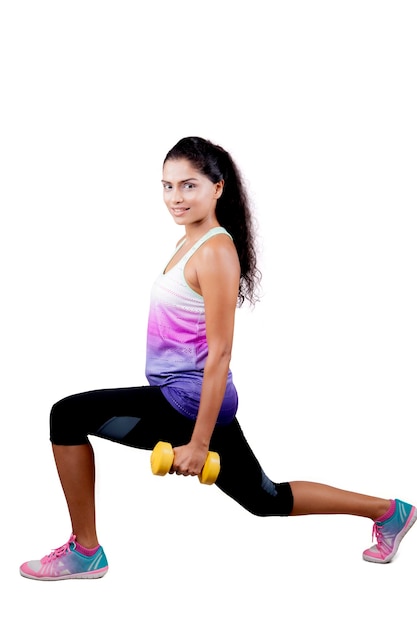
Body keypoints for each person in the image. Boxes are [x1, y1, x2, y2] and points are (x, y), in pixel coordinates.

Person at [20, 136, 415, 580]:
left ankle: (86, 550)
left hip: (188, 401)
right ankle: (390, 512)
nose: (175, 197)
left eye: (188, 186)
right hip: (189, 396)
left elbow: (221, 353)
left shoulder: (215, 251)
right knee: (267, 499)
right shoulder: (189, 243)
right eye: (167, 186)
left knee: (67, 416)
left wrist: (200, 442)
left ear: (217, 188)